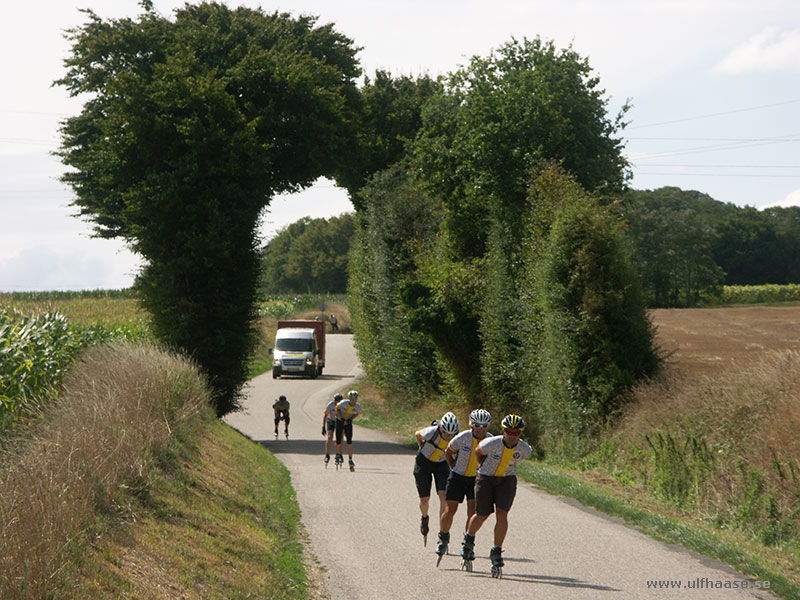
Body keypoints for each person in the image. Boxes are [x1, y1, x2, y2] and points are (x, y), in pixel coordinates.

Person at [460, 414, 532, 573]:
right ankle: (468, 541)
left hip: (506, 480)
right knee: (481, 514)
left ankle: (497, 551)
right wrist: (482, 468)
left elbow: (516, 460)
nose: (512, 436)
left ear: (520, 434)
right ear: (503, 431)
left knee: (502, 514)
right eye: (509, 432)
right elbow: (478, 452)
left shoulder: (525, 449)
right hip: (486, 478)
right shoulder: (491, 443)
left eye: (516, 433)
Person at [434, 409, 492, 560]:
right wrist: (453, 466)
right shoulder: (463, 437)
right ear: (471, 425)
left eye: (484, 425)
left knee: (472, 512)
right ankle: (443, 538)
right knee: (449, 510)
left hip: (476, 479)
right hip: (458, 477)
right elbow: (448, 451)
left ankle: (468, 543)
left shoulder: (491, 440)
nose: (481, 429)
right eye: (477, 425)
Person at [413, 412, 459, 546]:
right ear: (440, 429)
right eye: (446, 433)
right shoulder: (431, 432)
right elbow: (417, 434)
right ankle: (424, 518)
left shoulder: (456, 438)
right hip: (424, 463)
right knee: (424, 499)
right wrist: (421, 446)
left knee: (444, 498)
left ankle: (442, 532)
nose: (448, 437)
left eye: (452, 434)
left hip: (441, 465)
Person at [334, 390, 362, 470]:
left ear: (357, 399)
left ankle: (350, 459)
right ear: (349, 399)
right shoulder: (343, 403)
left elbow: (357, 413)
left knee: (349, 441)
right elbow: (337, 409)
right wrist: (341, 418)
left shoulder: (358, 407)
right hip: (340, 421)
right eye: (352, 399)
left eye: (355, 399)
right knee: (338, 440)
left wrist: (350, 419)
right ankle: (337, 455)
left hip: (348, 422)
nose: (353, 401)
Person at [322, 392, 343, 465]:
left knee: (340, 439)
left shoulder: (342, 405)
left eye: (339, 400)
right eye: (336, 400)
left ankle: (339, 454)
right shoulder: (330, 405)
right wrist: (323, 427)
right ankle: (327, 454)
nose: (337, 401)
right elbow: (325, 415)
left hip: (339, 421)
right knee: (329, 437)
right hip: (331, 421)